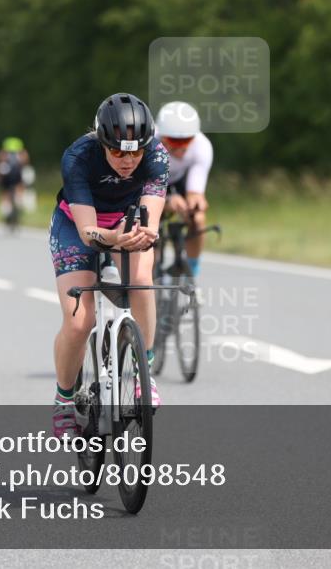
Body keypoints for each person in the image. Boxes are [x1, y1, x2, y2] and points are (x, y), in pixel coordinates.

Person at [49, 93, 169, 438]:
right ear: (102, 143)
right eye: (117, 151)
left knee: (142, 281)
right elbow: (89, 233)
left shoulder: (158, 155)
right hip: (76, 225)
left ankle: (142, 372)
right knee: (79, 321)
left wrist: (140, 236)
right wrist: (114, 238)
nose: (127, 160)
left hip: (127, 220)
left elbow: (150, 223)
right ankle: (64, 398)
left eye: (135, 151)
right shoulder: (78, 157)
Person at [156, 101, 213, 278]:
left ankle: (191, 272)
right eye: (173, 141)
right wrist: (166, 202)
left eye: (187, 140)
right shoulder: (149, 143)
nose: (181, 147)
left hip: (181, 180)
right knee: (148, 220)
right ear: (162, 136)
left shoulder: (202, 146)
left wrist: (195, 205)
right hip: (152, 182)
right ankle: (152, 273)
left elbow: (195, 193)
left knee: (198, 218)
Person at [0, 137, 29, 226]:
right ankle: (19, 201)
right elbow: (26, 164)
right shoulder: (22, 153)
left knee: (5, 192)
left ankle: (5, 209)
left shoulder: (3, 153)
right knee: (20, 187)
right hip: (17, 175)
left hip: (6, 177)